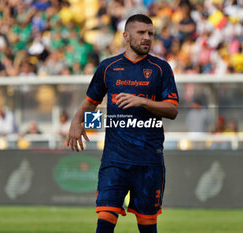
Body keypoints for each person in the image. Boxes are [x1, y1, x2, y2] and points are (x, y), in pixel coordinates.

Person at [68, 14, 179, 233]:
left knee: (147, 227)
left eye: (150, 34)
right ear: (126, 36)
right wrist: (76, 122)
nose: (147, 38)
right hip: (114, 160)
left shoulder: (161, 69)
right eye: (141, 33)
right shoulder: (108, 67)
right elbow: (92, 101)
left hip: (148, 161)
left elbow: (173, 110)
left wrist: (143, 101)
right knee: (104, 222)